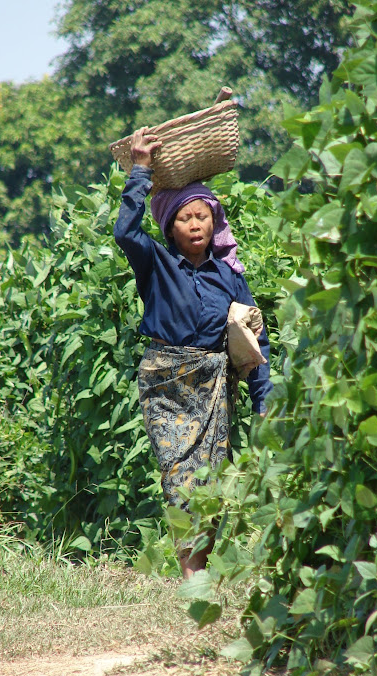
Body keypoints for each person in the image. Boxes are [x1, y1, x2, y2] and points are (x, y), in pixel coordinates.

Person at [113, 128, 272, 578]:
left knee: (210, 483)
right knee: (179, 479)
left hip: (215, 383)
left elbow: (253, 337)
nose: (195, 224)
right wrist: (141, 170)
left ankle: (198, 572)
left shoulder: (229, 277)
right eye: (185, 218)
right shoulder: (155, 264)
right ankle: (190, 575)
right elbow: (125, 231)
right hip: (166, 381)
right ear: (170, 227)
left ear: (214, 221)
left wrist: (264, 398)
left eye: (203, 216)